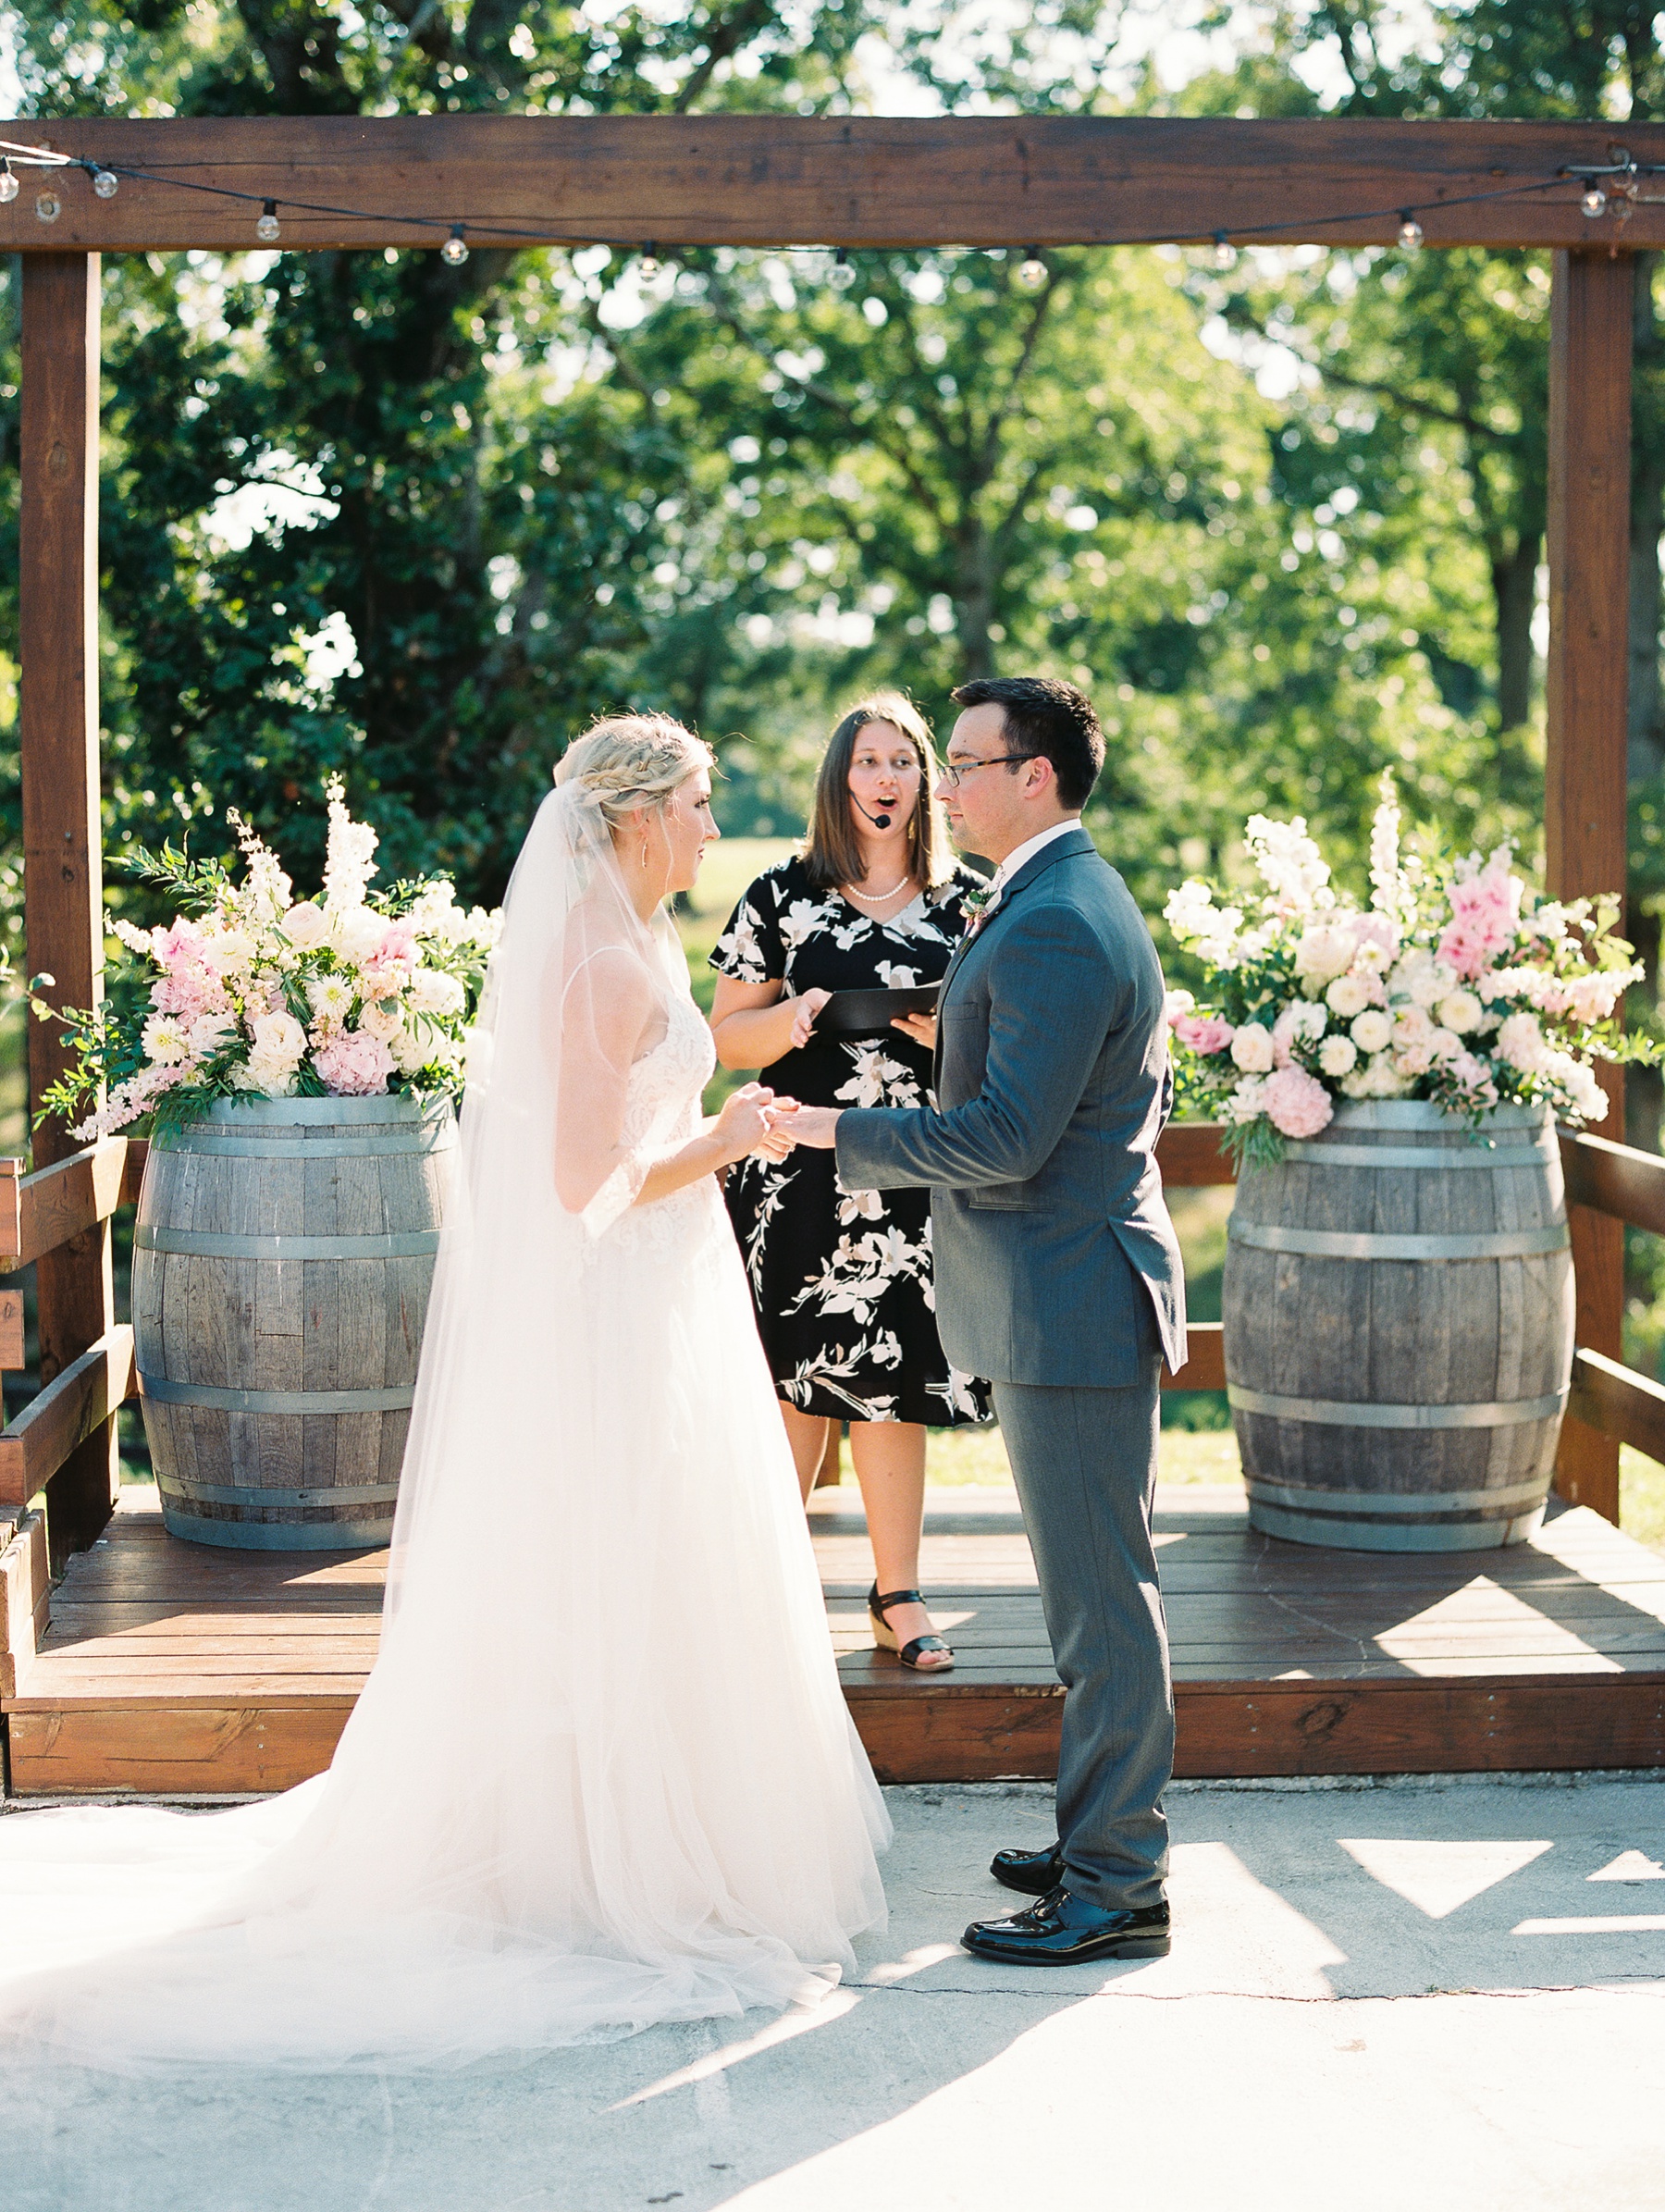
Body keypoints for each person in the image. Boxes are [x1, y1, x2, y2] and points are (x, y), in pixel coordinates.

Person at [0, 714, 888, 2070]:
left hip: (664, 1286)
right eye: (702, 802)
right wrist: (721, 1139)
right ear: (641, 812)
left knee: (655, 1556)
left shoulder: (633, 935)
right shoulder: (598, 959)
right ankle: (600, 1858)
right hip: (622, 1297)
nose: (716, 825)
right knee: (622, 1549)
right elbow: (578, 1187)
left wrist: (706, 1142)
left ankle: (653, 1826)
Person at [789, 675, 1187, 1966]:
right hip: (1058, 1290)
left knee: (1101, 1605)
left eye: (965, 764)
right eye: (944, 764)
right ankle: (1097, 1834)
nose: (942, 786)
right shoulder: (1047, 892)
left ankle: (1118, 1883)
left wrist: (829, 1126)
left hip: (1071, 1296)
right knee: (1089, 1594)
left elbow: (1009, 1138)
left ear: (1039, 776)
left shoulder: (1061, 914)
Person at [709, 692, 992, 1674]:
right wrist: (799, 1015)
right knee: (791, 1381)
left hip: (915, 1172)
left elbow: (1009, 1048)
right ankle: (764, 1600)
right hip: (795, 1168)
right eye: (868, 762)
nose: (885, 779)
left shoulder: (974, 902)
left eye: (903, 762)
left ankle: (897, 1596)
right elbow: (723, 1036)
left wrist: (944, 1032)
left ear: (930, 783)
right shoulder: (779, 894)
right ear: (840, 780)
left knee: (895, 1382)